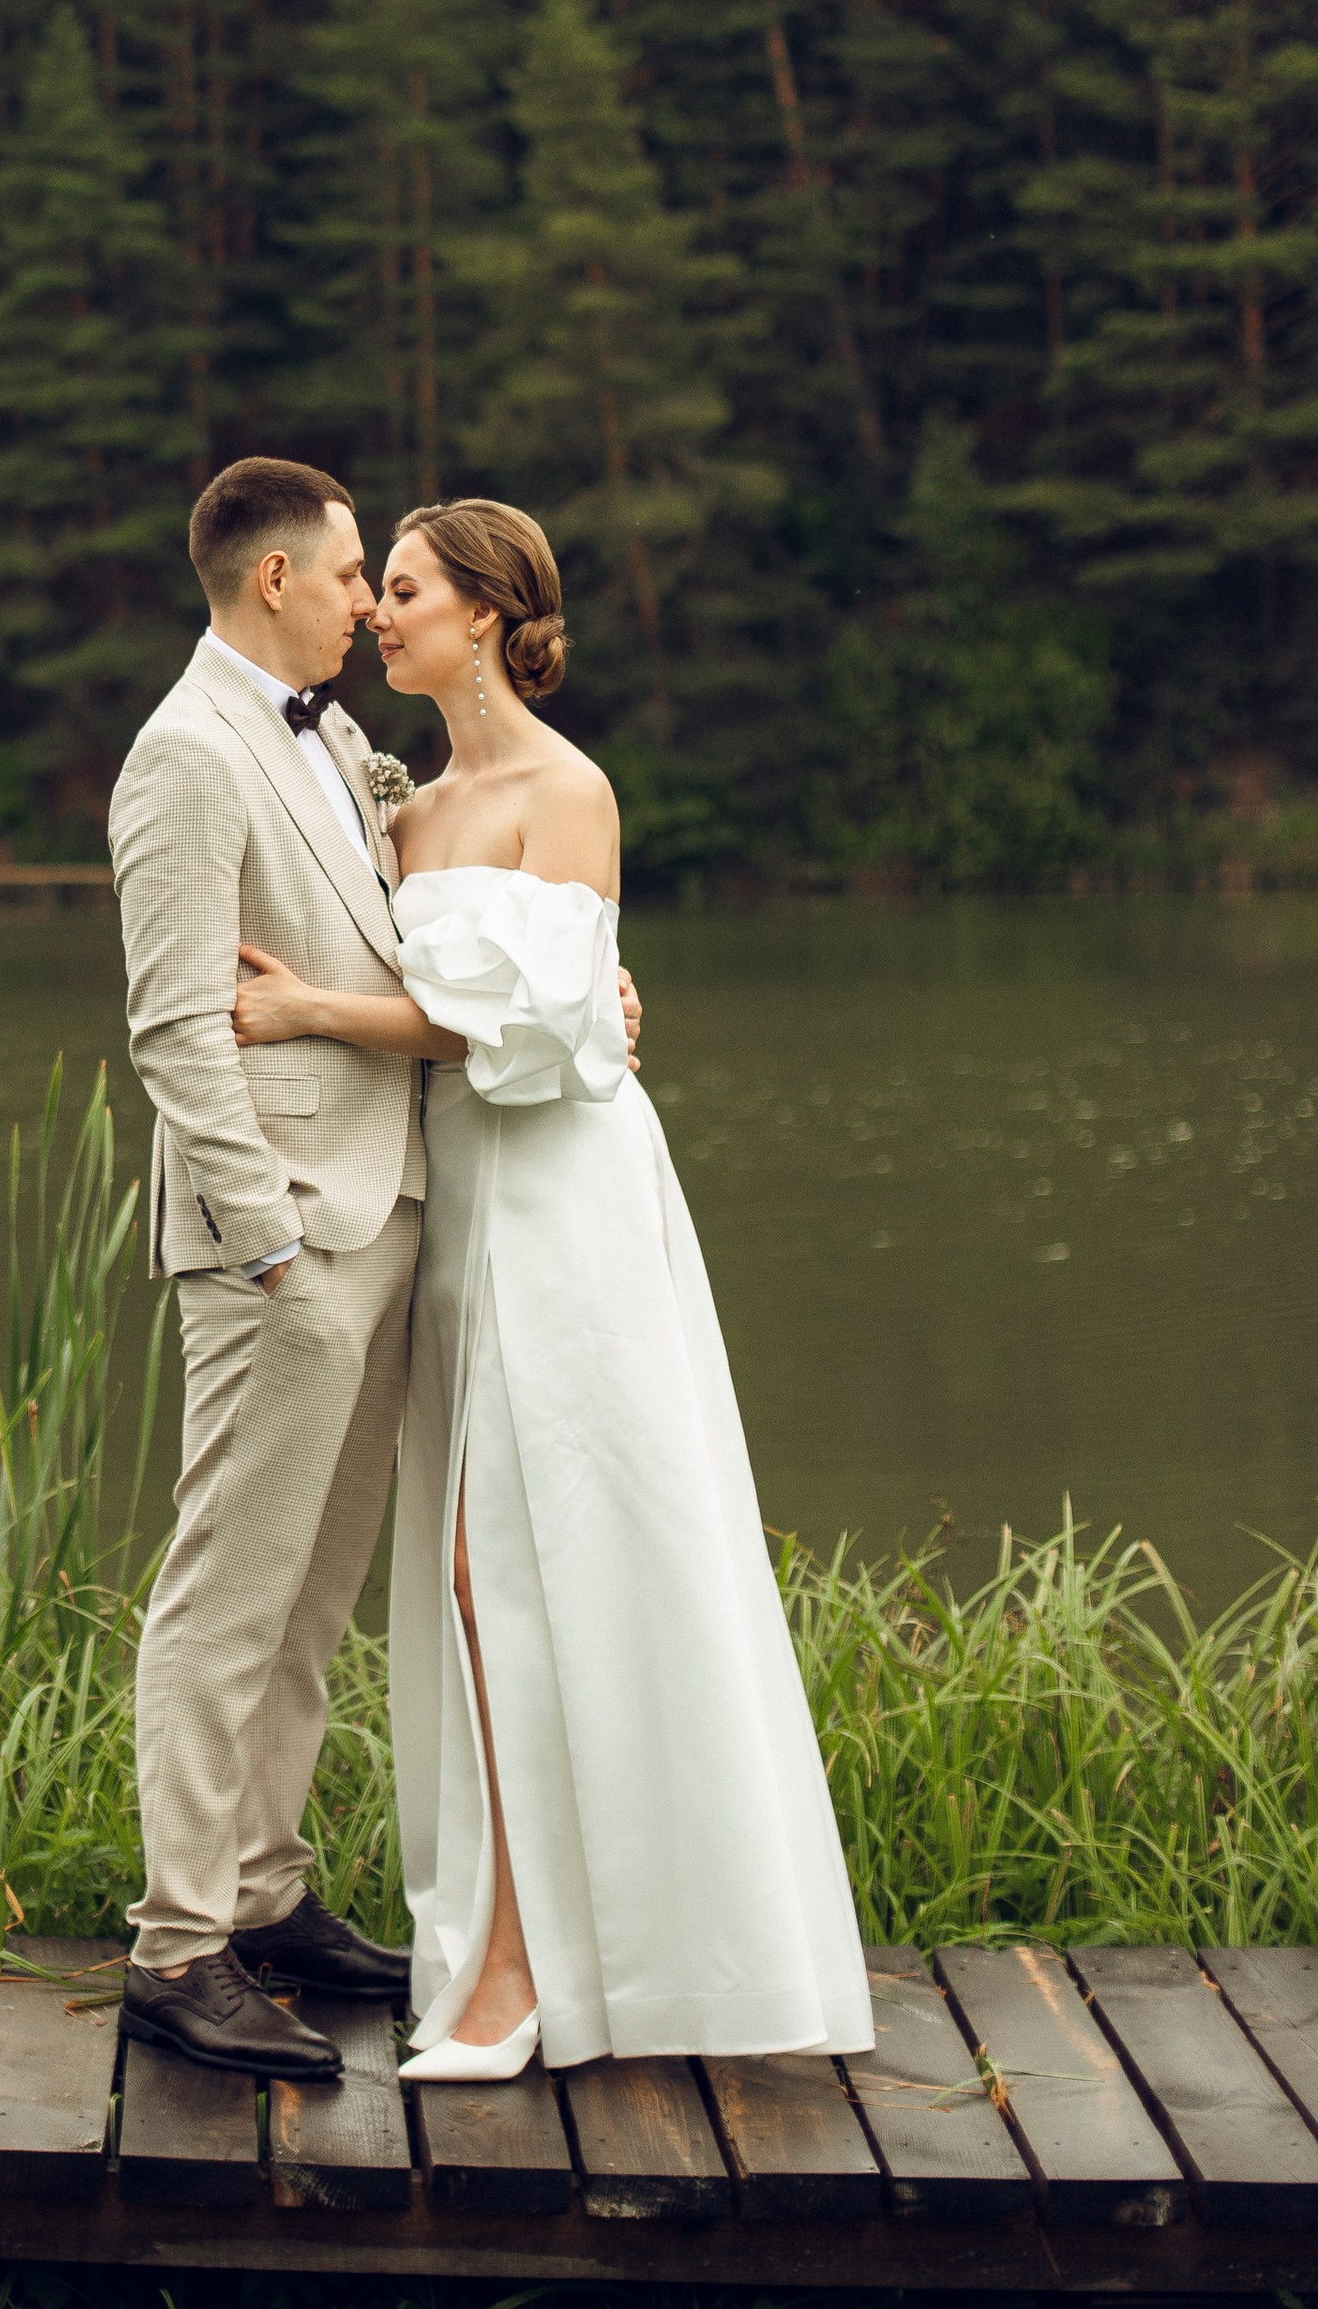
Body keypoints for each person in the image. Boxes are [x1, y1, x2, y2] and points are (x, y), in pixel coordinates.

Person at [230, 496, 874, 2081]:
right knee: (475, 1573)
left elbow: (529, 1036)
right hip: (462, 1210)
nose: (379, 611)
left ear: (492, 614)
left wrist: (315, 1008)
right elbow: (483, 1001)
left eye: (405, 588)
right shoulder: (399, 810)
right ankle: (523, 1955)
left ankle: (545, 1972)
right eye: (371, 587)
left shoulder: (568, 791)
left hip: (570, 1200)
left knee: (548, 1558)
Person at [106, 457, 641, 2082]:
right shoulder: (186, 756)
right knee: (227, 1592)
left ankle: (268, 1896)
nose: (363, 596)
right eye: (351, 572)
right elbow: (176, 1019)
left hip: (394, 1212)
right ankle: (179, 1942)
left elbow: (474, 931)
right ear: (277, 579)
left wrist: (597, 995)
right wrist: (261, 1228)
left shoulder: (339, 745)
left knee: (312, 1600)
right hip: (282, 1245)